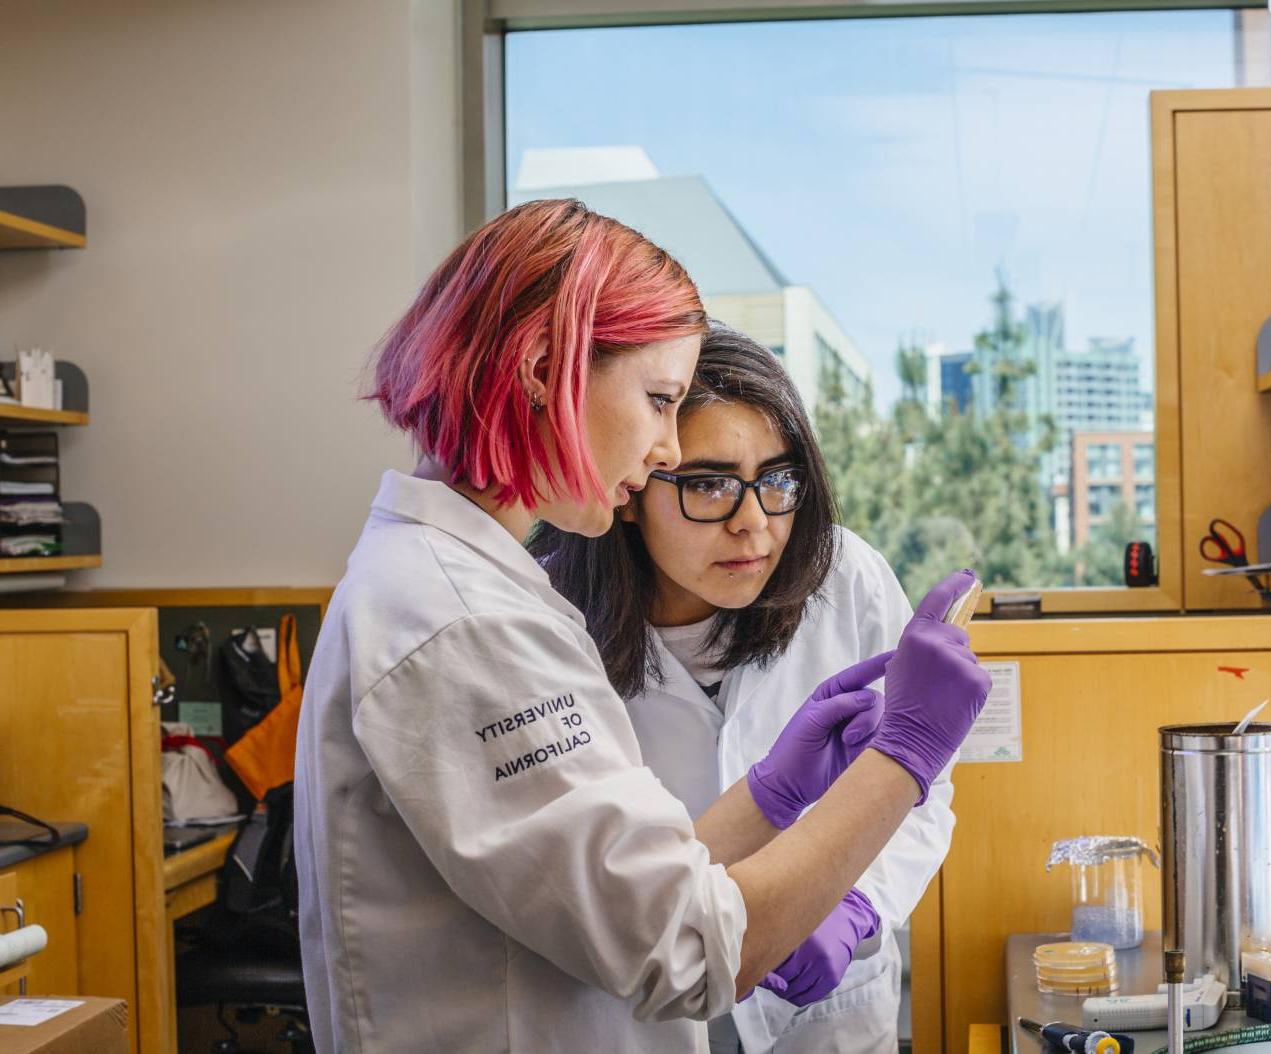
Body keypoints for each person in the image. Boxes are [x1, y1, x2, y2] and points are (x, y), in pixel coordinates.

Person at [292, 199, 991, 1054]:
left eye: (774, 481)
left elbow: (604, 884)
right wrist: (902, 758)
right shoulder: (465, 623)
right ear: (545, 369)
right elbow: (690, 951)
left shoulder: (464, 588)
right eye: (659, 400)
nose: (664, 448)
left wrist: (769, 798)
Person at [533, 324, 951, 1053]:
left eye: (778, 479)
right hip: (635, 1021)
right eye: (709, 484)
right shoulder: (546, 619)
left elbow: (921, 796)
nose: (753, 522)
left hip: (824, 1024)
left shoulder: (844, 578)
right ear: (634, 485)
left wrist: (859, 906)